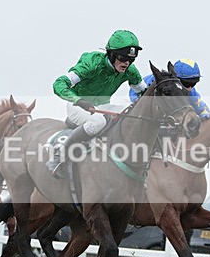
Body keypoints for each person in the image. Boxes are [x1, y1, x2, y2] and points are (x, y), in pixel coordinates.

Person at [48, 29, 147, 178]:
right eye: (122, 58)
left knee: (130, 112)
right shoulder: (91, 63)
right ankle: (59, 156)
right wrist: (78, 100)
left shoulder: (131, 71)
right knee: (98, 121)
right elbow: (59, 84)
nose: (126, 63)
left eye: (130, 60)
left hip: (102, 107)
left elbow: (144, 94)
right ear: (112, 54)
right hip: (77, 105)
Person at [128, 59, 210, 119]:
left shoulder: (191, 92)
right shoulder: (151, 81)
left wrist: (206, 118)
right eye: (186, 83)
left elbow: (202, 109)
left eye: (194, 83)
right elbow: (133, 93)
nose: (190, 88)